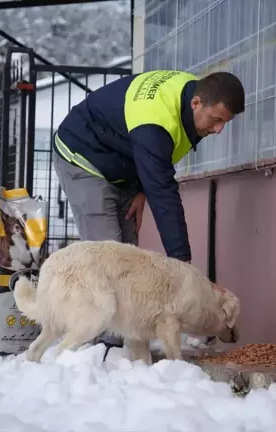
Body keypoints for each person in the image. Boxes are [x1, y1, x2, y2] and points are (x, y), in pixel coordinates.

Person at [51, 69, 245, 349]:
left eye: (225, 123)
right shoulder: (157, 122)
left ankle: (125, 342)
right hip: (83, 156)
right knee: (107, 257)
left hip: (124, 158)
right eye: (216, 120)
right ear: (196, 104)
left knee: (128, 261)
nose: (218, 130)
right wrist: (182, 264)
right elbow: (164, 193)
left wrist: (140, 189)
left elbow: (159, 163)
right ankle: (103, 349)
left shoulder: (193, 95)